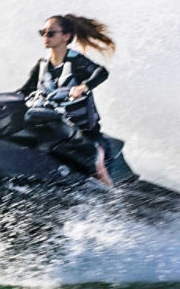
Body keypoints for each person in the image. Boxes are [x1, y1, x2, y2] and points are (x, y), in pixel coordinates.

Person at [19, 14, 115, 185]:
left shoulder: (76, 62)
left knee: (96, 162)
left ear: (66, 36)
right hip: (52, 129)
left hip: (83, 132)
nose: (45, 37)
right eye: (43, 33)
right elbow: (24, 91)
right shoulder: (42, 65)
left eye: (50, 33)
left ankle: (115, 201)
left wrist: (84, 86)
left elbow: (102, 72)